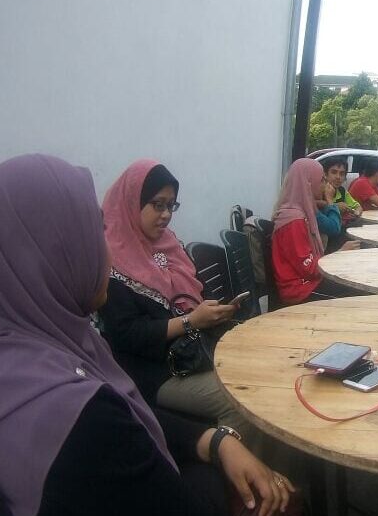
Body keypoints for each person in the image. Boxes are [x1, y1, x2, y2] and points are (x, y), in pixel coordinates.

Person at [0, 155, 292, 516]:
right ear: (45, 258)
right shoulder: (78, 415)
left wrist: (213, 441)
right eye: (92, 233)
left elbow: (125, 420)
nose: (106, 251)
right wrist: (217, 470)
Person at [97, 160, 274, 461]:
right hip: (151, 370)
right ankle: (237, 478)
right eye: (157, 205)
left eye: (171, 206)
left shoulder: (167, 246)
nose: (166, 214)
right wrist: (191, 321)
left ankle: (262, 465)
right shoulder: (111, 258)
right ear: (131, 202)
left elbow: (188, 299)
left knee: (259, 371)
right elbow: (125, 334)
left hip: (191, 353)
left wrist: (212, 313)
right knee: (239, 399)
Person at [271, 158, 356, 305]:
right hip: (300, 290)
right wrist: (339, 253)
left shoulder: (301, 211)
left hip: (308, 282)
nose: (324, 185)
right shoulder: (294, 220)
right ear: (308, 183)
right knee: (355, 291)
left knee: (351, 278)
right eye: (322, 180)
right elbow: (309, 269)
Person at [319, 156, 362, 226]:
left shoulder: (342, 191)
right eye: (334, 172)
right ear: (325, 174)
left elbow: (358, 207)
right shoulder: (318, 191)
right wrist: (336, 206)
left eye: (342, 174)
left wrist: (355, 214)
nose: (338, 177)